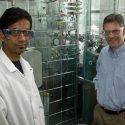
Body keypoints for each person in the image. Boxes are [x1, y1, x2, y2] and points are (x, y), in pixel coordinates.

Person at [0, 7, 45, 125]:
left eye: (26, 32)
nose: (22, 39)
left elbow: (37, 108)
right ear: (2, 35)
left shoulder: (26, 65)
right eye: (15, 32)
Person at [92, 13, 125, 125]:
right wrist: (97, 88)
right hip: (99, 113)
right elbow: (98, 75)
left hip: (119, 118)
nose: (110, 36)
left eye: (115, 31)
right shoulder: (103, 52)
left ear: (124, 31)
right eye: (107, 32)